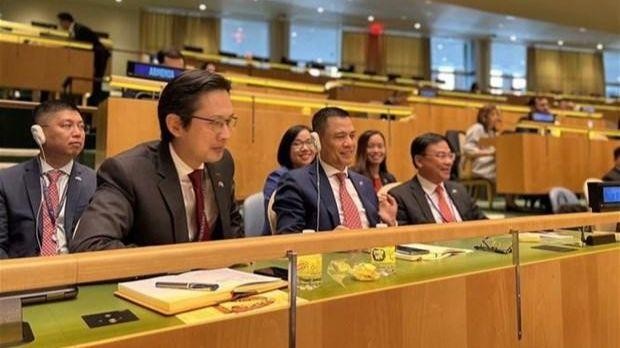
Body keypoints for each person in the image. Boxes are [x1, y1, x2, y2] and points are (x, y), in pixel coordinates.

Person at [70, 71, 243, 252]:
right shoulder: (128, 173)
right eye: (215, 123)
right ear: (175, 125)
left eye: (228, 121)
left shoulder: (222, 163)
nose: (226, 135)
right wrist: (169, 265)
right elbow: (89, 245)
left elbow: (233, 231)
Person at [273, 107, 397, 233]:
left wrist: (388, 222)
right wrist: (330, 241)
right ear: (317, 142)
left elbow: (376, 236)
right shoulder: (296, 182)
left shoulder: (364, 183)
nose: (349, 143)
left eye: (352, 136)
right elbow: (287, 239)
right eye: (340, 136)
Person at [0, 100, 96, 258]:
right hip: (24, 274)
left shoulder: (95, 181)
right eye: (67, 125)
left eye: (81, 126)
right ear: (39, 133)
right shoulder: (7, 181)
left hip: (77, 272)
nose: (78, 133)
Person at [389, 133, 486, 225]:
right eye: (441, 156)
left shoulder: (459, 190)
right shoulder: (401, 196)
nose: (448, 162)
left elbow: (483, 223)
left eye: (450, 156)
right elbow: (403, 238)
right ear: (419, 161)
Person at [262, 125, 316, 233]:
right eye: (297, 144)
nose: (305, 148)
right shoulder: (277, 177)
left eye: (309, 142)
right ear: (287, 149)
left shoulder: (319, 176)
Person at [57, 13, 110, 107]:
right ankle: (92, 101)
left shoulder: (79, 29)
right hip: (95, 56)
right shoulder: (75, 29)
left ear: (66, 21)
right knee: (95, 81)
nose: (61, 25)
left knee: (96, 81)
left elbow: (83, 46)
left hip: (99, 56)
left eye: (61, 22)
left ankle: (94, 104)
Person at [463, 105, 501, 181]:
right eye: (493, 115)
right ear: (484, 117)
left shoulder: (492, 132)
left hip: (488, 162)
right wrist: (489, 153)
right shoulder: (477, 128)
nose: (497, 118)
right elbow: (468, 149)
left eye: (497, 115)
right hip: (478, 164)